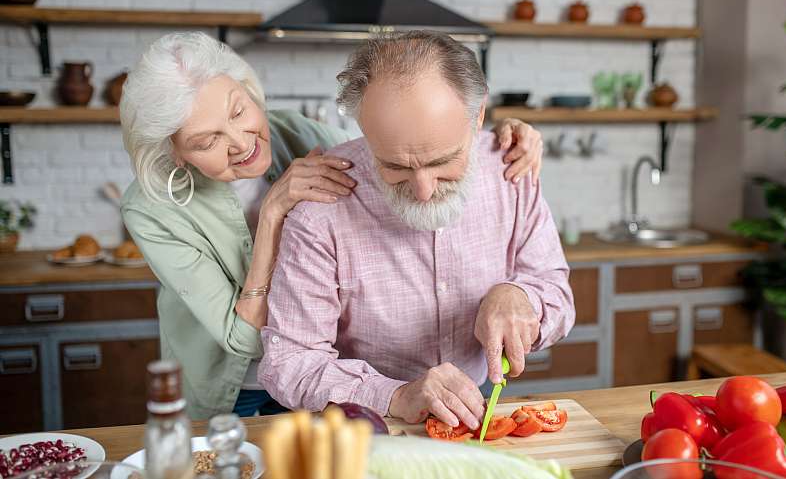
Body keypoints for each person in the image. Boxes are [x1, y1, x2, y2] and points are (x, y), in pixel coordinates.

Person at [118, 31, 546, 419]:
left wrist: (495, 134)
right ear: (175, 152)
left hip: (324, 381)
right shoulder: (150, 208)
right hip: (234, 384)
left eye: (238, 111)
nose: (241, 142)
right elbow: (247, 341)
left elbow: (399, 142)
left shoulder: (296, 132)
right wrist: (272, 215)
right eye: (207, 140)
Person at [260, 31, 574, 432]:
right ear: (364, 129)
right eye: (395, 167)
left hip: (475, 415)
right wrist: (394, 395)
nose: (424, 191)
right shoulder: (322, 203)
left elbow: (557, 294)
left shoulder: (511, 170)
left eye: (443, 161)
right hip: (364, 426)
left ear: (477, 117)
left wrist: (523, 296)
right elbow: (289, 364)